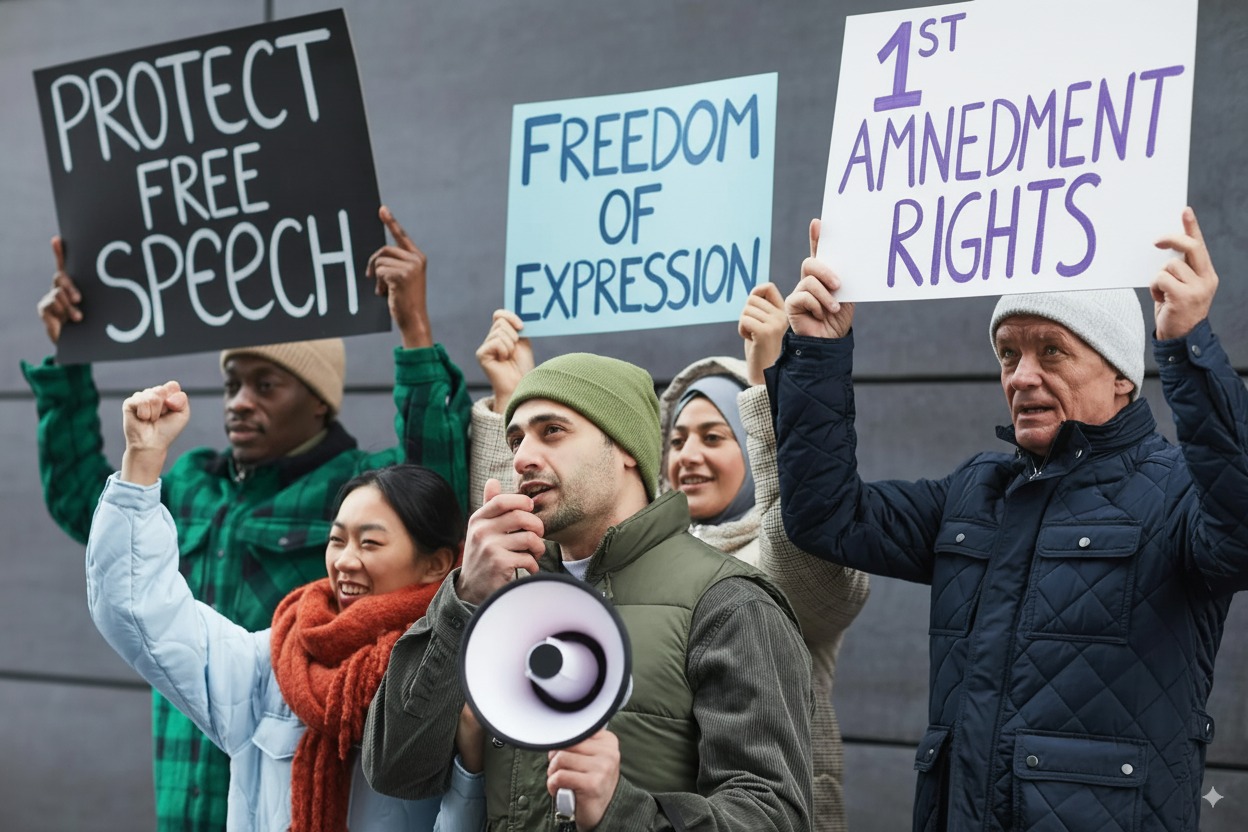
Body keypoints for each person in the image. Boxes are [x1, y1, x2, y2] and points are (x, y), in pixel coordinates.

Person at [769, 208, 1248, 831]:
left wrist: (1188, 346)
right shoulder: (976, 491)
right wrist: (819, 352)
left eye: (1052, 351)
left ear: (1121, 377)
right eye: (1007, 353)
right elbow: (825, 516)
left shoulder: (1179, 494)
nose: (1022, 377)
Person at [23, 206, 472, 832]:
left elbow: (439, 489)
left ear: (319, 401)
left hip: (297, 759)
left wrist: (414, 331)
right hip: (190, 783)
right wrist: (70, 361)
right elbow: (87, 510)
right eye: (233, 383)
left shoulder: (352, 484)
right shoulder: (191, 481)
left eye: (267, 385)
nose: (239, 402)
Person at [362, 352, 815, 831]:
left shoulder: (730, 603)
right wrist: (464, 596)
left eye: (552, 431)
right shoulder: (501, 596)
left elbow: (775, 817)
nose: (522, 457)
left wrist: (620, 810)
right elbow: (396, 770)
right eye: (515, 438)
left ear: (624, 448)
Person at [469, 300, 870, 831]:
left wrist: (769, 385)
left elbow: (801, 539)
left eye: (714, 436)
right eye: (676, 439)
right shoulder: (534, 581)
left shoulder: (742, 588)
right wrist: (464, 594)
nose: (687, 456)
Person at [87, 380, 483, 831]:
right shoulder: (273, 662)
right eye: (336, 540)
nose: (345, 560)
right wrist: (140, 463)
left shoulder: (457, 668)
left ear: (437, 563)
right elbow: (138, 608)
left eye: (370, 542)